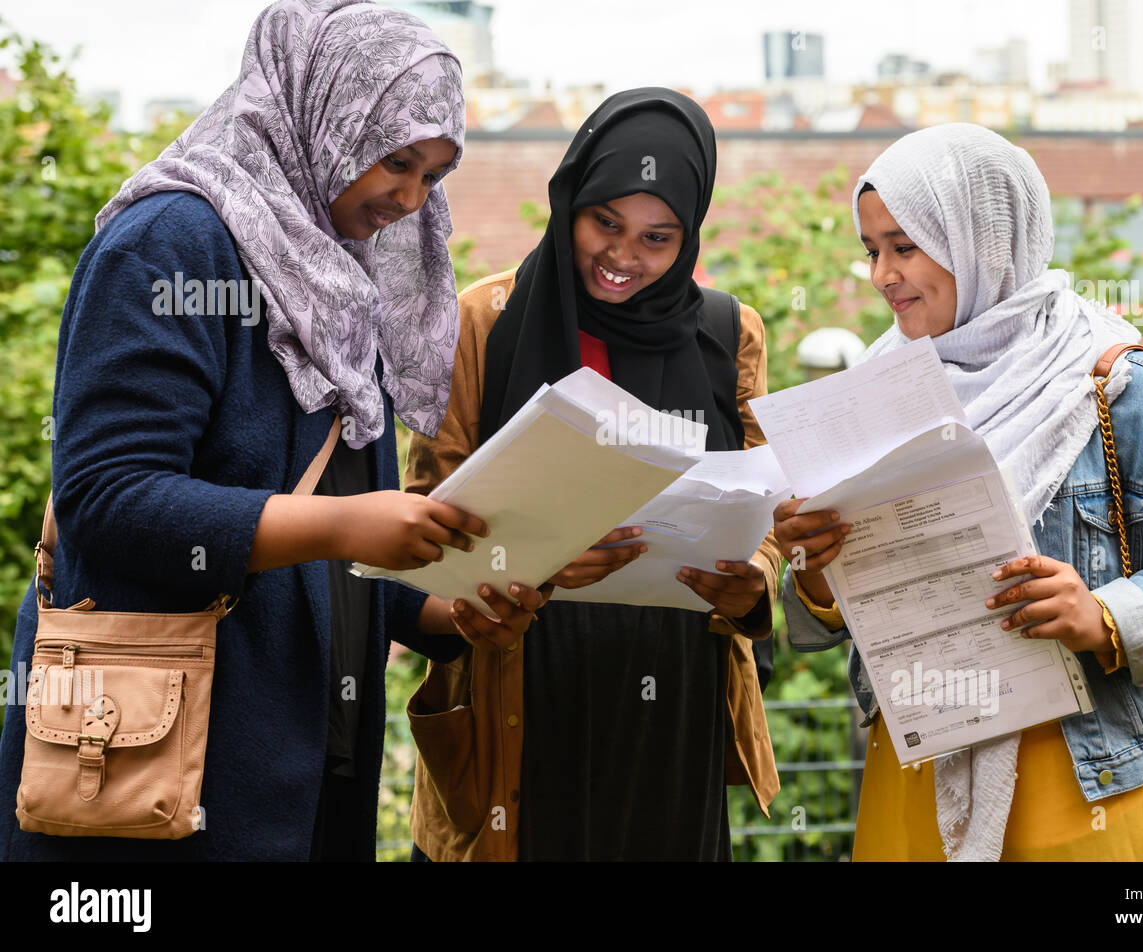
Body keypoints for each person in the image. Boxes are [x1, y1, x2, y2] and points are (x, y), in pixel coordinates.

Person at [0, 0, 545, 862]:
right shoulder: (173, 242)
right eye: (394, 161)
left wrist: (449, 611)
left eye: (434, 177)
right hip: (160, 776)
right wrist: (351, 524)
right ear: (317, 109)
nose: (406, 201)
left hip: (307, 761)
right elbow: (107, 498)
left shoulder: (338, 270)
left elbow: (328, 535)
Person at [774, 123, 1143, 861]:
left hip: (1098, 783)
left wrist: (1106, 614)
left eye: (905, 246)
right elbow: (831, 621)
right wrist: (816, 573)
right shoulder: (870, 404)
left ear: (981, 238)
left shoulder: (1133, 394)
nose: (882, 274)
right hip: (919, 774)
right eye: (872, 249)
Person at [402, 88, 780, 861]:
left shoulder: (726, 331)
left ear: (690, 235)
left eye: (657, 237)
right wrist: (538, 557)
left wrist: (756, 585)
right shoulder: (486, 319)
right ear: (569, 200)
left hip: (674, 697)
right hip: (522, 678)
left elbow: (771, 502)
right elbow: (422, 522)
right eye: (604, 222)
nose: (622, 256)